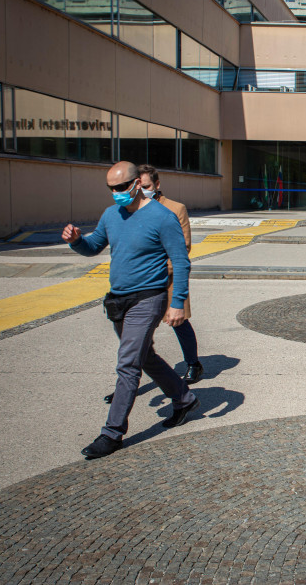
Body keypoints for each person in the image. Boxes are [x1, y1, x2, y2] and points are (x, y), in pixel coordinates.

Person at [63, 161, 199, 459]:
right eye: (112, 189)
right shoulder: (111, 215)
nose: (117, 194)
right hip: (118, 299)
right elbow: (93, 246)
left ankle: (112, 433)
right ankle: (183, 398)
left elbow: (182, 260)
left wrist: (177, 302)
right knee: (144, 356)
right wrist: (76, 241)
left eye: (122, 187)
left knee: (128, 364)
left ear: (137, 184)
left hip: (148, 298)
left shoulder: (163, 217)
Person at [101, 165, 204, 404]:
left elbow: (182, 249)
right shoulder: (123, 210)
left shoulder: (173, 210)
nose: (143, 190)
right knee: (137, 346)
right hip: (139, 288)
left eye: (147, 186)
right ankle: (128, 390)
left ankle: (192, 363)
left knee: (178, 322)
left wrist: (153, 268)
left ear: (155, 185)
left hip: (165, 280)